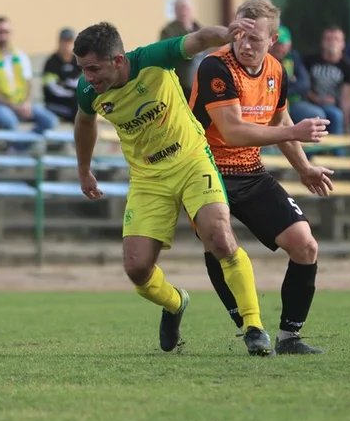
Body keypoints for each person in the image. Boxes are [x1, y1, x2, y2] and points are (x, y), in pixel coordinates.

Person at [72, 18, 276, 356]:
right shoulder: (89, 91)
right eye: (82, 69)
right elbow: (84, 121)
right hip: (148, 178)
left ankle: (253, 326)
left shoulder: (153, 58)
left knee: (220, 238)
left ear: (118, 60)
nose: (88, 77)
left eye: (93, 68)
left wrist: (225, 34)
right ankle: (175, 303)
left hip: (191, 160)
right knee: (137, 269)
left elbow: (197, 39)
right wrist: (84, 170)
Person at [189, 0, 333, 355]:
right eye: (239, 34)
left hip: (250, 172)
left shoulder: (276, 70)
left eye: (255, 38)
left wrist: (304, 168)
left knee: (305, 245)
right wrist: (293, 133)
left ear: (273, 41)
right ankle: (252, 327)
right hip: (204, 170)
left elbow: (280, 121)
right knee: (220, 242)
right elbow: (234, 130)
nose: (245, 44)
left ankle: (290, 337)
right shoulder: (214, 67)